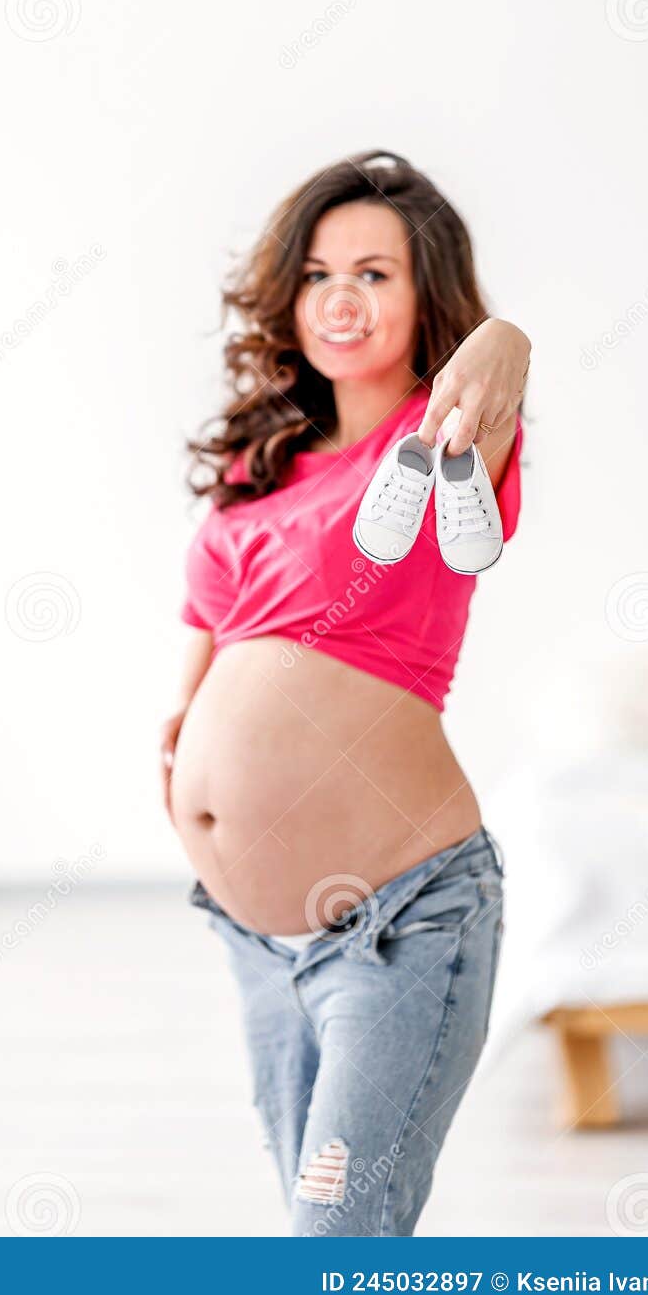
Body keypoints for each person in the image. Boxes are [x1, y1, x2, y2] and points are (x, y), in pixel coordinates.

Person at [162, 150, 530, 1236]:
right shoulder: (255, 467)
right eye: (318, 272)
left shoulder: (441, 441)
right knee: (323, 1257)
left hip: (400, 917)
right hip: (257, 941)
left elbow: (492, 371)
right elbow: (207, 666)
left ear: (427, 298)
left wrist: (505, 341)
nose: (340, 297)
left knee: (336, 1249)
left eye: (374, 272)